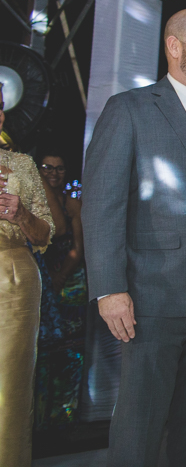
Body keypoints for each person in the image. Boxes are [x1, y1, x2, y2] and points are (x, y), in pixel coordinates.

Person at [83, 8, 186, 467]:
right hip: (151, 297)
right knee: (140, 425)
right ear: (174, 48)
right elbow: (102, 205)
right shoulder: (129, 109)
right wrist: (111, 289)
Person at [0, 86, 53, 467]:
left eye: (0, 109)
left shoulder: (21, 164)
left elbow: (47, 233)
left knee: (10, 387)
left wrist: (20, 215)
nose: (0, 117)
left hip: (14, 280)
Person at [32, 147, 86, 434]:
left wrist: (60, 277)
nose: (53, 173)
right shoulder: (31, 201)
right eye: (47, 167)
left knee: (70, 351)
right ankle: (37, 417)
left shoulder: (71, 203)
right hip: (40, 278)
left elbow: (79, 248)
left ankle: (64, 417)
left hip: (70, 280)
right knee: (39, 351)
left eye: (59, 168)